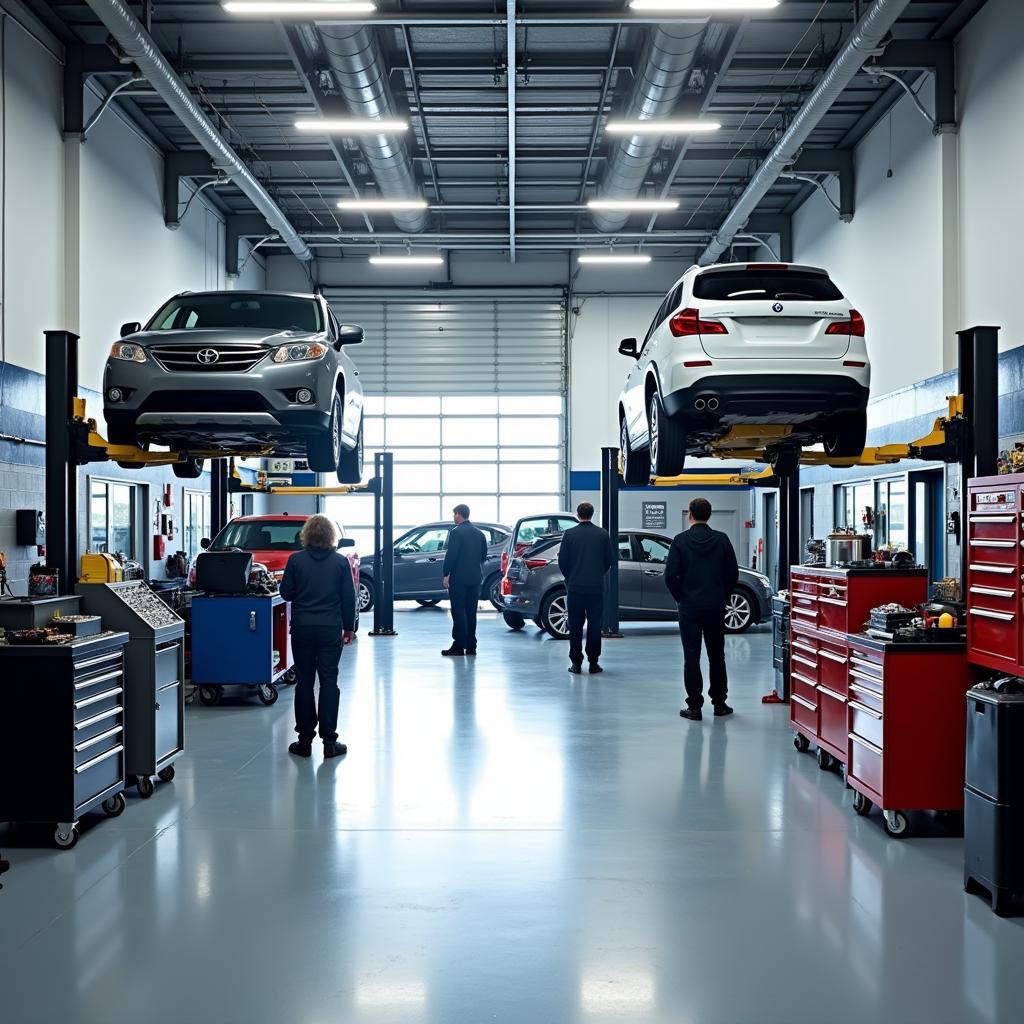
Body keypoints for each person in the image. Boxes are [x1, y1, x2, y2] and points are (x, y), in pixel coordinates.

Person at [279, 514, 357, 758]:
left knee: (304, 683)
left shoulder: (295, 561)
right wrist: (349, 627)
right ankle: (330, 742)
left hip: (302, 628)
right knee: (329, 682)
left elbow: (286, 593)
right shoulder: (340, 562)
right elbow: (348, 598)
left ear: (307, 534)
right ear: (331, 536)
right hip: (330, 629)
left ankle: (304, 741)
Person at [664, 497, 739, 721]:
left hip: (689, 608)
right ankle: (720, 703)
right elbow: (732, 574)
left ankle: (694, 707)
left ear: (690, 515)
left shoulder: (679, 541)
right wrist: (722, 597)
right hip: (715, 606)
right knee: (717, 656)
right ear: (709, 514)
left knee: (691, 656)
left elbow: (670, 576)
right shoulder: (722, 540)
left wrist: (681, 598)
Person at [557, 501, 615, 675]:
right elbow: (609, 561)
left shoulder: (569, 535)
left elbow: (563, 562)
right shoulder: (602, 534)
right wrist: (598, 574)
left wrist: (571, 577)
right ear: (592, 513)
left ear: (577, 514)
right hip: (596, 588)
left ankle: (576, 663)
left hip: (575, 588)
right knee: (595, 625)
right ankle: (593, 663)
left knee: (575, 625)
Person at [442, 504, 488, 657]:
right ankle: (471, 646)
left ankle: (458, 646)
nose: (453, 517)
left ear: (458, 514)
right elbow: (483, 556)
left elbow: (452, 555)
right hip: (475, 579)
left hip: (459, 580)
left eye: (454, 514)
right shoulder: (479, 534)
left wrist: (446, 573)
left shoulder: (456, 532)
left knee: (458, 611)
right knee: (471, 612)